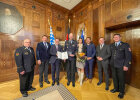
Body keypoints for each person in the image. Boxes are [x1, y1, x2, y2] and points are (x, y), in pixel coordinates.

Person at [110, 34, 132, 99]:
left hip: (121, 65)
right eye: (114, 37)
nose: (116, 38)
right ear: (113, 38)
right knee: (114, 77)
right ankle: (116, 88)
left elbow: (128, 56)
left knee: (121, 79)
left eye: (117, 37)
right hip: (113, 65)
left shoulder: (125, 45)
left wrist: (126, 65)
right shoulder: (111, 45)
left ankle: (121, 92)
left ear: (120, 38)